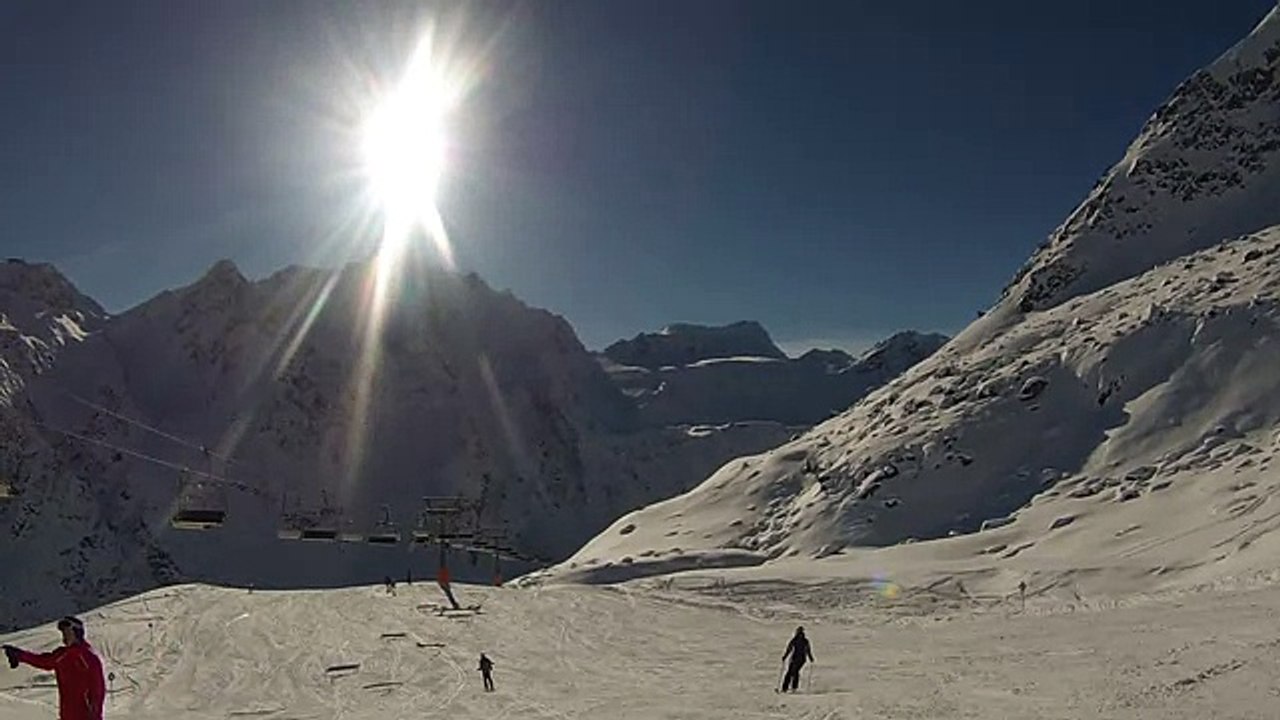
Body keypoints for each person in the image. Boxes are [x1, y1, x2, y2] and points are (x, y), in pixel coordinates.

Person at [3, 616, 106, 720]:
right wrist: (19, 655)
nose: (64, 636)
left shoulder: (89, 657)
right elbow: (43, 661)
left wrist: (95, 716)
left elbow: (98, 691)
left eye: (67, 632)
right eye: (63, 632)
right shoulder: (63, 654)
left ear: (77, 632)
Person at [779, 626, 813, 693]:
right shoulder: (802, 640)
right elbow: (807, 650)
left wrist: (785, 656)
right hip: (798, 659)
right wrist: (810, 657)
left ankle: (788, 688)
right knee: (793, 672)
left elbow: (790, 648)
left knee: (792, 672)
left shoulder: (799, 640)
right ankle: (790, 687)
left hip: (798, 658)